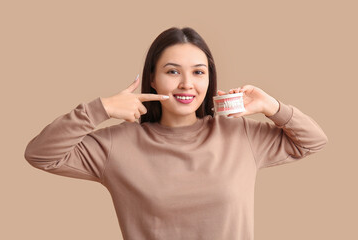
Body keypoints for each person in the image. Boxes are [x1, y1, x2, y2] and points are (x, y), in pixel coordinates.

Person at [24, 27, 328, 240]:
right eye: (172, 71)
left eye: (198, 72)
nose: (186, 84)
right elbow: (41, 154)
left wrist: (272, 106)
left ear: (209, 79)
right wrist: (100, 108)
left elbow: (313, 141)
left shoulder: (240, 135)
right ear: (152, 79)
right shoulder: (117, 145)